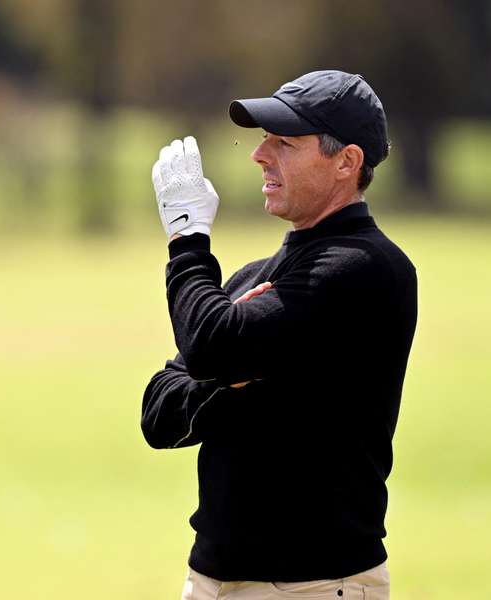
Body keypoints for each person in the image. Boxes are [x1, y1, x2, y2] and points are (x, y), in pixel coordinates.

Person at [142, 70, 417, 599]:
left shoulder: (365, 268)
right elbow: (158, 414)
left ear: (346, 162)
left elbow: (210, 344)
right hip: (210, 581)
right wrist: (225, 377)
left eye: (284, 142)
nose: (260, 154)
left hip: (313, 584)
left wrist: (188, 240)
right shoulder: (253, 278)